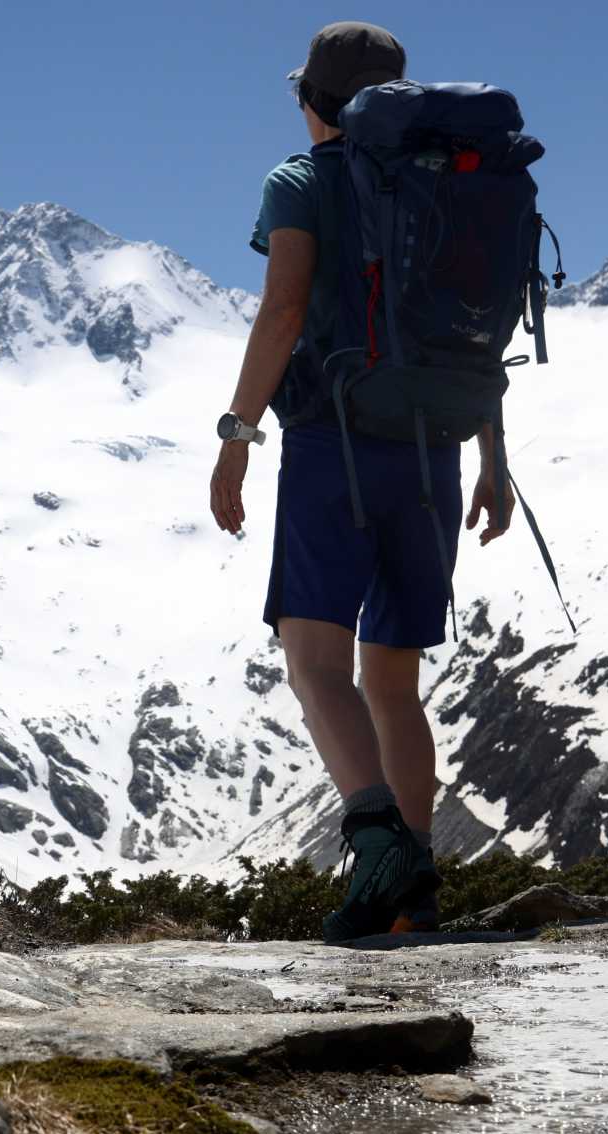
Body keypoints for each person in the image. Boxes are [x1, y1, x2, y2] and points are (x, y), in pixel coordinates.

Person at [208, 20, 512, 942]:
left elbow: (286, 306)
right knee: (393, 682)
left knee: (312, 662)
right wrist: (494, 460)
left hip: (331, 445)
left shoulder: (301, 181)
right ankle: (414, 897)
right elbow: (473, 334)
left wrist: (237, 432)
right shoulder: (450, 189)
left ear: (313, 102)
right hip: (434, 448)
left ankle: (375, 841)